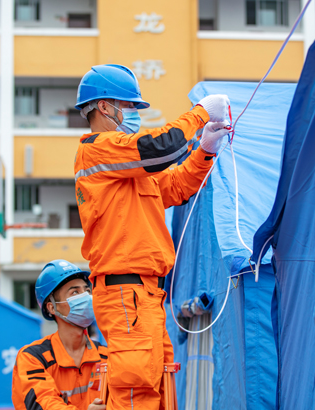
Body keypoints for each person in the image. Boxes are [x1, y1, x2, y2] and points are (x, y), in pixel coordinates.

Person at [73, 64, 230, 409]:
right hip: (126, 293)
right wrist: (200, 113)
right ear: (103, 107)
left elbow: (175, 186)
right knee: (136, 391)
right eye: (129, 107)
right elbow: (161, 147)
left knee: (157, 389)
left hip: (142, 294)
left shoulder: (123, 165)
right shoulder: (99, 149)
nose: (134, 115)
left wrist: (205, 151)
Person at [12, 259, 108, 410]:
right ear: (52, 307)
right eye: (75, 292)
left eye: (87, 291)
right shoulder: (32, 357)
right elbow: (42, 403)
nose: (86, 297)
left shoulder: (106, 356)